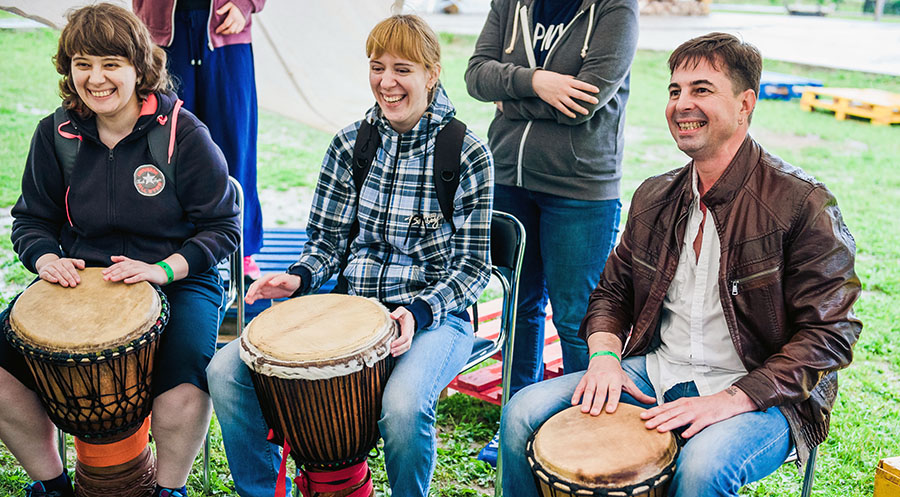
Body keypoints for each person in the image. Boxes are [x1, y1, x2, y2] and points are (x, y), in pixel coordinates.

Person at [500, 32, 862, 497]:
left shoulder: (802, 202)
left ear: (745, 104)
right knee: (522, 411)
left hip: (765, 393)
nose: (681, 104)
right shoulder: (655, 195)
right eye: (675, 91)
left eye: (701, 90)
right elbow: (612, 293)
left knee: (702, 467)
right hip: (656, 371)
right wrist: (606, 358)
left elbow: (831, 334)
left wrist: (734, 399)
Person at [206, 14, 494, 497]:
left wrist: (418, 312)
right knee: (226, 371)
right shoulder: (349, 144)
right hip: (348, 309)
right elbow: (326, 243)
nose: (387, 81)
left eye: (402, 68)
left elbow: (472, 269)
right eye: (377, 67)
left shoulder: (465, 152)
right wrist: (298, 277)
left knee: (403, 408)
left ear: (432, 72)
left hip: (435, 316)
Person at [0, 4, 240, 497]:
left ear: (138, 66)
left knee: (184, 388)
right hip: (82, 279)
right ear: (69, 69)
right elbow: (30, 219)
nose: (96, 77)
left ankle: (166, 490)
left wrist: (162, 270)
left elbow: (222, 227)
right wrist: (44, 256)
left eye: (111, 63)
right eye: (83, 63)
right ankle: (53, 484)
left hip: (177, 276)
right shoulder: (56, 133)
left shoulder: (184, 133)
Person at [464, 0, 639, 464]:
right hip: (508, 179)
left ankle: (581, 436)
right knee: (518, 308)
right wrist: (537, 81)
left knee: (578, 320)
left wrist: (509, 100)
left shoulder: (616, 10)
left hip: (580, 190)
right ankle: (517, 423)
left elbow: (584, 104)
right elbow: (476, 75)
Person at [133, 0, 265, 279]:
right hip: (160, 35)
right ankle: (172, 244)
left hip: (226, 30)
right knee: (166, 139)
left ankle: (242, 248)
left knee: (235, 141)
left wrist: (245, 4)